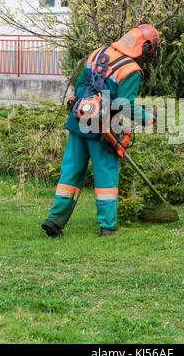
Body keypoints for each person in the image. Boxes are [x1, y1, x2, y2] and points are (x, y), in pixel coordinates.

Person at [41, 24, 159, 237]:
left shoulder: (98, 53)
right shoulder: (131, 70)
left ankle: (54, 221)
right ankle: (108, 227)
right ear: (145, 47)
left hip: (79, 120)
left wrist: (87, 108)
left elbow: (79, 85)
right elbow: (125, 105)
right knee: (106, 177)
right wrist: (148, 117)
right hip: (104, 130)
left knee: (71, 173)